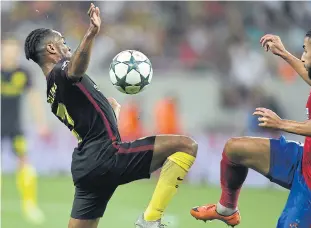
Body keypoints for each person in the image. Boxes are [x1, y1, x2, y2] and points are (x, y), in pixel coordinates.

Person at [24, 4, 197, 228]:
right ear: (50, 48)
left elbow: (89, 122)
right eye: (63, 43)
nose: (67, 47)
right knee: (186, 146)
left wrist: (111, 112)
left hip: (86, 166)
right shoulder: (62, 69)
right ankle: (151, 219)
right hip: (106, 156)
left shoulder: (51, 92)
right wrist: (90, 34)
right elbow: (75, 69)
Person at [190, 25, 311, 227]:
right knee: (235, 149)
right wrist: (284, 54)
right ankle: (227, 210)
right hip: (306, 162)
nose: (303, 57)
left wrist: (280, 123)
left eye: (305, 50)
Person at [1, 37, 49, 224]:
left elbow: (34, 98)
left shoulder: (23, 73)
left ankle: (29, 205)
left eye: (13, 50)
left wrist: (41, 123)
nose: (10, 53)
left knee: (24, 163)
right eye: (7, 50)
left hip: (15, 126)